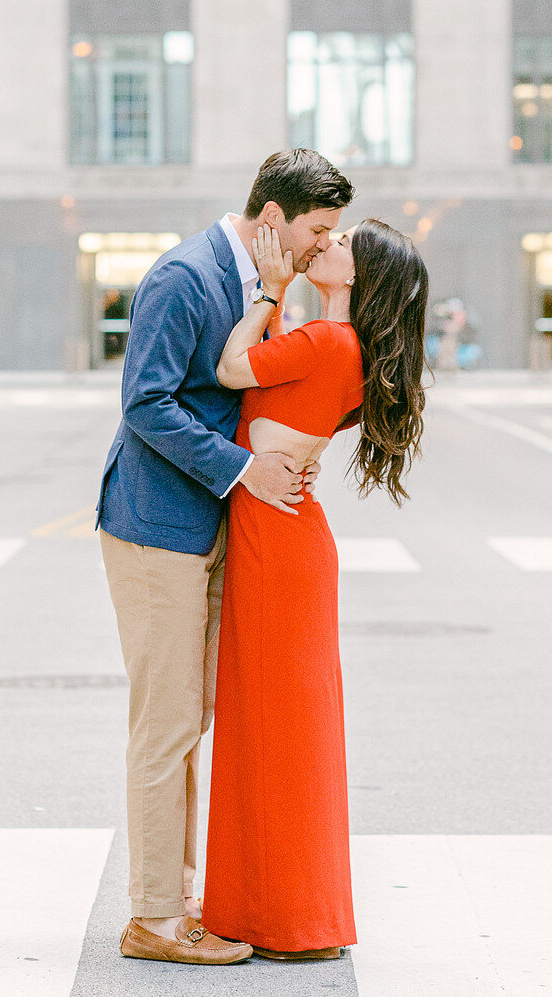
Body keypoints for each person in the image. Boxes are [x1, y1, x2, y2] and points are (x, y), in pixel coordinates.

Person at [97, 150, 354, 966]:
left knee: (191, 717)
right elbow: (144, 402)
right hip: (158, 525)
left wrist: (291, 445)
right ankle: (154, 919)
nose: (326, 245)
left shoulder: (256, 281)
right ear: (274, 218)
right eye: (319, 230)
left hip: (208, 528)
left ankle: (176, 899)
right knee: (167, 723)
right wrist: (245, 467)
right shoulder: (185, 277)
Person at [203, 217, 428, 961]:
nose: (325, 245)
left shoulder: (329, 342)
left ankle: (282, 918)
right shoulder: (345, 348)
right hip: (288, 532)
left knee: (272, 729)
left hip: (277, 539)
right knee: (286, 731)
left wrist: (269, 290)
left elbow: (232, 370)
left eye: (341, 244)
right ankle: (290, 912)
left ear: (355, 277)